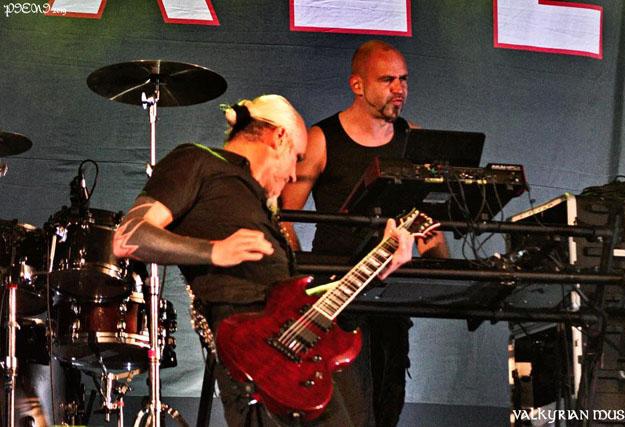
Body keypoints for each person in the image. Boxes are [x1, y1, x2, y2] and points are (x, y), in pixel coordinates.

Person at [112, 94, 418, 427]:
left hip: (304, 364)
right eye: (296, 159)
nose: (293, 176)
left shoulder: (264, 212)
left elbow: (302, 300)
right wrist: (213, 250)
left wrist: (379, 267)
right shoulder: (197, 160)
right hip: (254, 362)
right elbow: (129, 236)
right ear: (278, 137)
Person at [280, 41, 449, 426]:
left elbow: (430, 225)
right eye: (387, 80)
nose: (399, 89)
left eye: (403, 79)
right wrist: (297, 287)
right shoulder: (322, 138)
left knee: (387, 404)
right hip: (337, 295)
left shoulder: (414, 138)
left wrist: (445, 267)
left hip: (393, 295)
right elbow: (283, 217)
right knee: (347, 410)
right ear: (357, 85)